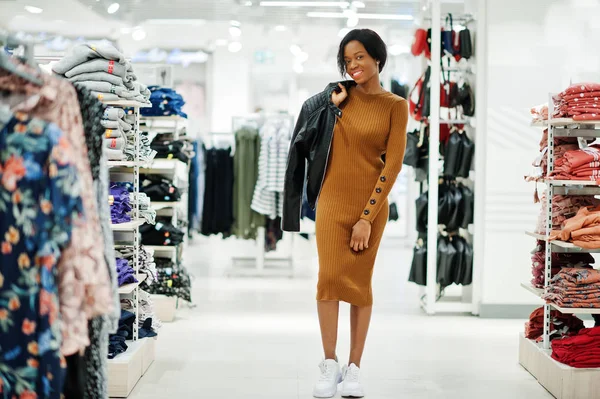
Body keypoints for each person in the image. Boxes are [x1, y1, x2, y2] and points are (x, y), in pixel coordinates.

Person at [282, 29, 408, 398]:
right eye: (348, 59)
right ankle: (329, 362)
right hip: (331, 203)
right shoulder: (337, 99)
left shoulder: (395, 106)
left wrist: (367, 217)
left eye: (360, 57)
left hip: (370, 207)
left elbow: (393, 166)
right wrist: (330, 102)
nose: (353, 65)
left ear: (377, 58)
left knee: (359, 286)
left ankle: (354, 368)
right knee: (328, 281)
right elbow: (306, 132)